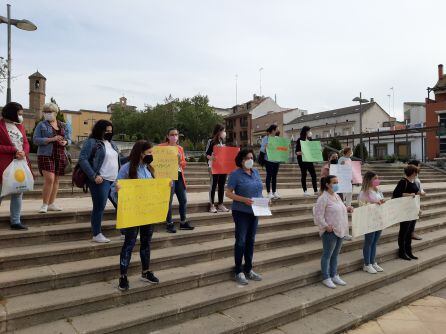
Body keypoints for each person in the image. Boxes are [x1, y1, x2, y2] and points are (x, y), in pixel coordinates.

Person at [112, 140, 160, 291]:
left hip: (147, 211)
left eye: (152, 153)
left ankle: (145, 272)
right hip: (132, 211)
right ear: (140, 153)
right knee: (129, 243)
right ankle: (123, 276)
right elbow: (114, 188)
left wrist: (166, 186)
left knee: (146, 242)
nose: (151, 156)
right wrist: (118, 189)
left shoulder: (150, 169)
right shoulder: (127, 169)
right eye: (149, 153)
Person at [226, 148, 263, 285]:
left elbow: (259, 190)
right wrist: (243, 199)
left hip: (255, 211)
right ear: (241, 160)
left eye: (252, 157)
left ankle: (248, 269)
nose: (250, 160)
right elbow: (228, 194)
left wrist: (265, 200)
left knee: (250, 240)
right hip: (241, 212)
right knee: (241, 240)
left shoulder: (256, 172)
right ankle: (238, 271)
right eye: (247, 158)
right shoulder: (235, 174)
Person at [79, 120, 120, 243]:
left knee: (121, 206)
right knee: (99, 207)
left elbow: (118, 160)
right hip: (100, 180)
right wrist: (94, 175)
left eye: (110, 131)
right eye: (106, 131)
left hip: (114, 181)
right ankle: (97, 234)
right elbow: (83, 159)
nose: (108, 133)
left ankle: (125, 231)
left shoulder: (112, 144)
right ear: (99, 130)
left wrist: (133, 156)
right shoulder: (91, 142)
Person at [313, 175, 353, 289]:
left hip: (340, 229)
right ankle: (326, 277)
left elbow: (340, 208)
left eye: (337, 182)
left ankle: (334, 274)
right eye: (334, 182)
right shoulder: (323, 198)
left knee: (335, 254)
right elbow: (318, 216)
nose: (337, 184)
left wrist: (347, 208)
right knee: (327, 255)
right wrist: (326, 226)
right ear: (327, 184)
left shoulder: (336, 196)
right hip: (330, 232)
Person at [33, 102, 71, 213]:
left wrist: (66, 142)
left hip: (60, 153)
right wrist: (51, 139)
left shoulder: (63, 125)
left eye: (49, 112)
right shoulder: (41, 125)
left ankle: (51, 203)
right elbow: (35, 140)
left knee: (56, 180)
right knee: (49, 179)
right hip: (45, 154)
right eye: (45, 112)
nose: (47, 114)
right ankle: (44, 204)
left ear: (55, 112)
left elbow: (69, 139)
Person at [0, 102, 30, 230]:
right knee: (1, 192)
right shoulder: (0, 125)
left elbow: (26, 142)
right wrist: (13, 150)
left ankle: (15, 221)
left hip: (20, 163)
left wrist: (24, 152)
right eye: (19, 114)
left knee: (18, 192)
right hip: (4, 164)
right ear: (12, 113)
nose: (21, 116)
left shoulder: (20, 126)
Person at [158, 128, 193, 233]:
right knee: (168, 201)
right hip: (167, 177)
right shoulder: (161, 147)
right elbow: (157, 161)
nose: (174, 136)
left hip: (178, 175)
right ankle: (169, 223)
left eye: (176, 134)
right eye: (172, 134)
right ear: (168, 136)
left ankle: (183, 222)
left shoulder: (180, 148)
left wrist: (179, 161)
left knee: (183, 200)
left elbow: (184, 164)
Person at [392, 165, 421, 261]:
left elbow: (415, 194)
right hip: (404, 210)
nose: (417, 174)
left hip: (412, 210)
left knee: (410, 232)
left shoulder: (413, 181)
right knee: (404, 232)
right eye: (416, 172)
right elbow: (396, 194)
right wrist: (409, 194)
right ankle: (402, 252)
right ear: (412, 172)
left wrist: (418, 207)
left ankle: (409, 251)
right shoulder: (403, 182)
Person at [358, 171, 385, 274]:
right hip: (369, 220)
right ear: (369, 180)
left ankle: (373, 262)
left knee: (374, 242)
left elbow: (380, 201)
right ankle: (367, 264)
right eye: (375, 179)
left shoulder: (378, 190)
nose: (377, 180)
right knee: (369, 242)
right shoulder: (364, 192)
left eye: (377, 178)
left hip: (379, 219)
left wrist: (381, 202)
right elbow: (362, 206)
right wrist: (374, 203)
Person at [206, 124, 230, 213]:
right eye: (223, 131)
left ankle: (220, 204)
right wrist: (212, 158)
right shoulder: (211, 141)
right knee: (213, 185)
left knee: (221, 186)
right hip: (213, 166)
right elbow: (206, 154)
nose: (224, 133)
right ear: (218, 131)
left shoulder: (223, 142)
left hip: (223, 167)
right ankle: (212, 205)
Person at [260, 124, 281, 199]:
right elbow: (262, 149)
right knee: (269, 175)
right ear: (273, 130)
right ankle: (269, 192)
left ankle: (274, 192)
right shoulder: (266, 138)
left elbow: (280, 148)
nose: (278, 130)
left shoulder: (278, 138)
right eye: (277, 129)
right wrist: (266, 147)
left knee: (274, 176)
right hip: (268, 160)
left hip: (276, 160)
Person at [295, 126, 318, 196]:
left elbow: (312, 150)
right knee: (304, 174)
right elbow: (296, 152)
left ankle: (315, 190)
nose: (310, 132)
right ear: (305, 131)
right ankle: (305, 191)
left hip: (309, 160)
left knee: (313, 174)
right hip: (302, 160)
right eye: (309, 131)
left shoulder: (310, 140)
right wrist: (302, 152)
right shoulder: (299, 140)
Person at [408, 160, 426, 241]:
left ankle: (411, 232)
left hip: (416, 199)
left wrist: (421, 191)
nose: (420, 167)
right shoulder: (411, 178)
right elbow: (414, 189)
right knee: (412, 217)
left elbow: (418, 187)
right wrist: (420, 192)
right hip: (411, 200)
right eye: (418, 165)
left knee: (415, 216)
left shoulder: (416, 177)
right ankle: (411, 233)